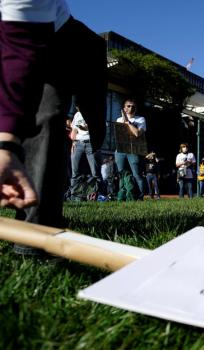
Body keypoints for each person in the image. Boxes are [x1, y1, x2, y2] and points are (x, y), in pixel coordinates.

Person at [0, 1, 106, 237]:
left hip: (57, 37)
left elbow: (21, 56)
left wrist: (6, 145)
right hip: (15, 35)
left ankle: (35, 231)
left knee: (45, 113)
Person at [115, 99, 146, 199]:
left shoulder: (140, 119)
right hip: (120, 150)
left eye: (133, 106)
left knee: (136, 174)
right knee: (122, 174)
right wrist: (124, 120)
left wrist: (128, 122)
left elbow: (137, 133)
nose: (130, 108)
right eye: (128, 106)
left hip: (134, 150)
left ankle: (139, 196)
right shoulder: (118, 120)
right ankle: (123, 196)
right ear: (124, 108)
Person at [69, 106, 99, 192]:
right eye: (76, 106)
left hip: (91, 143)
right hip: (78, 143)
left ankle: (96, 194)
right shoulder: (77, 115)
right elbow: (74, 129)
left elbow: (97, 129)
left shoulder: (94, 113)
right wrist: (72, 143)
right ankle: (74, 194)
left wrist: (86, 128)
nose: (77, 107)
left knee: (95, 172)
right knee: (75, 171)